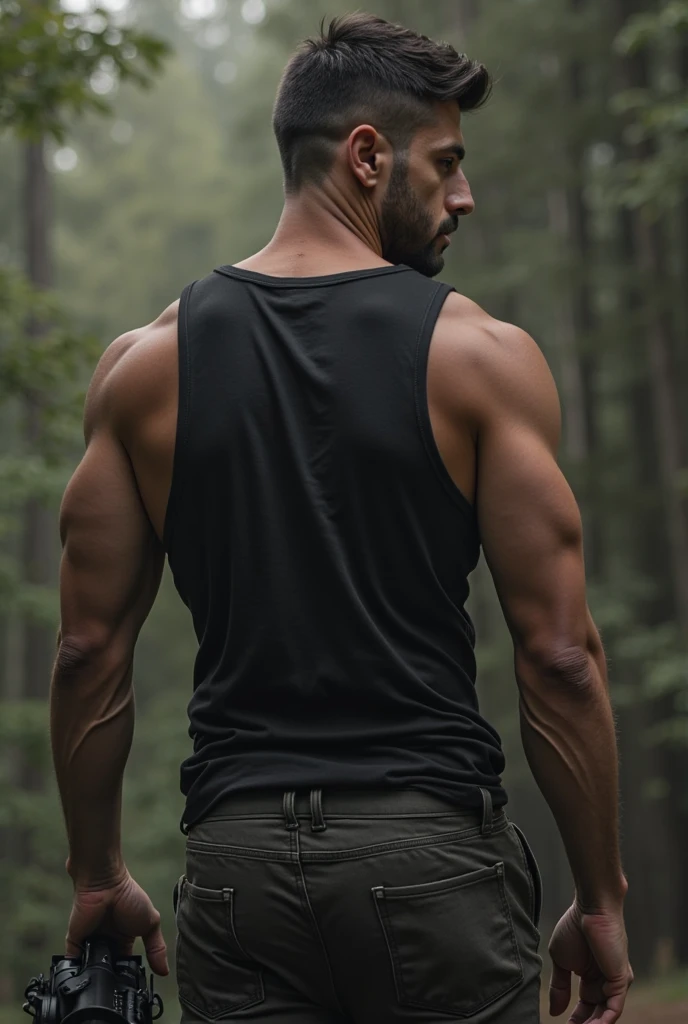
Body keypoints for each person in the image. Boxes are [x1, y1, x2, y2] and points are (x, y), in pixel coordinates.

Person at [51, 12, 633, 1024]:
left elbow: (87, 650)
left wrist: (98, 872)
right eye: (445, 163)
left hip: (235, 876)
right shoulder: (481, 359)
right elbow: (559, 658)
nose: (465, 195)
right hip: (433, 866)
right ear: (366, 155)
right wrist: (600, 895)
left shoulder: (146, 369)